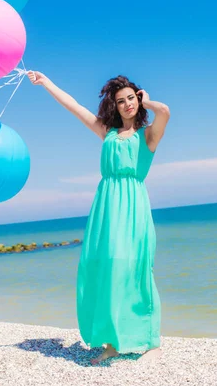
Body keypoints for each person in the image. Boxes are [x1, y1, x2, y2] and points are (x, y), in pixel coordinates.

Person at [27, 70, 170, 365]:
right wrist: (47, 83)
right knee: (104, 268)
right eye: (121, 101)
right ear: (114, 106)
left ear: (139, 99)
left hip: (133, 207)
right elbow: (74, 106)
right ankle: (112, 342)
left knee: (135, 269)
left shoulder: (149, 135)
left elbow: (165, 112)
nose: (128, 104)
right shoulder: (108, 132)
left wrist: (149, 102)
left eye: (132, 98)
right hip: (106, 206)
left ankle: (151, 342)